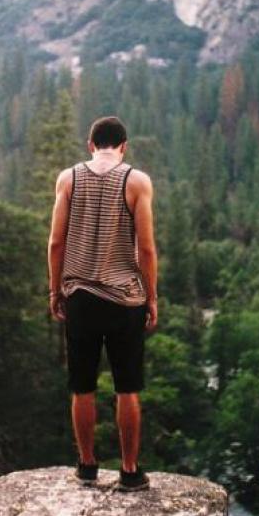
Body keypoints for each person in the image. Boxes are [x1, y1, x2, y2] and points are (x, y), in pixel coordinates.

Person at [47, 115, 158, 491]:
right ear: (124, 146)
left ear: (90, 144)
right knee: (127, 388)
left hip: (80, 298)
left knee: (82, 386)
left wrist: (54, 290)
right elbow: (145, 248)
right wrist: (152, 296)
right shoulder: (137, 181)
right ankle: (129, 471)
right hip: (126, 300)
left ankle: (87, 466)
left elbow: (55, 243)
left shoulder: (68, 179)